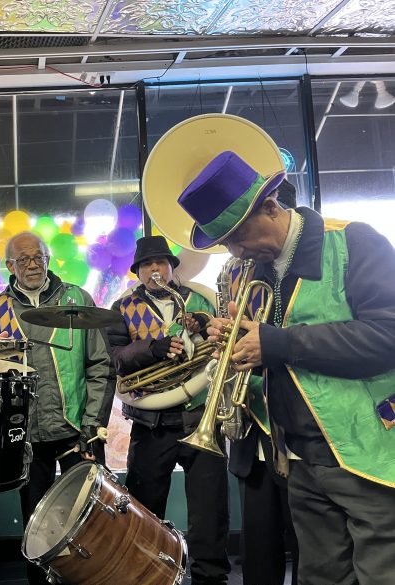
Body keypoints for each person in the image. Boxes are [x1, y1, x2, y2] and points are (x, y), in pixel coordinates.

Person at [181, 149, 395, 585]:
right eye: (227, 245)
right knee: (321, 576)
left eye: (239, 237)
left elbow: (387, 336)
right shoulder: (256, 270)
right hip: (296, 457)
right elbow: (287, 360)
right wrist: (243, 343)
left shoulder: (355, 240)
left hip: (365, 451)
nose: (236, 252)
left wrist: (273, 343)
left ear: (272, 207)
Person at [0, 231, 111, 585]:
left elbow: (100, 366)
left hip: (76, 434)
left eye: (38, 257)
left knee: (88, 524)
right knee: (36, 530)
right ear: (10, 266)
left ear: (49, 259)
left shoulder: (76, 300)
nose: (33, 264)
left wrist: (93, 426)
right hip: (27, 438)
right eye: (23, 259)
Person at [106, 235, 231, 585]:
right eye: (147, 264)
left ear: (172, 267)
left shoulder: (200, 300)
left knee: (210, 512)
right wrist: (153, 349)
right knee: (145, 511)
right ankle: (150, 577)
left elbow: (225, 340)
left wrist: (205, 326)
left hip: (199, 414)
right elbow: (116, 358)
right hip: (151, 422)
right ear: (138, 272)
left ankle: (211, 578)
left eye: (161, 262)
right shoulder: (122, 307)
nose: (155, 269)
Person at [228, 178, 299, 585]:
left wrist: (265, 340)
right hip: (252, 430)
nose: (238, 251)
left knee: (309, 543)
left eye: (241, 236)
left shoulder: (300, 269)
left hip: (293, 430)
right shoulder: (240, 275)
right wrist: (228, 336)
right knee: (257, 545)